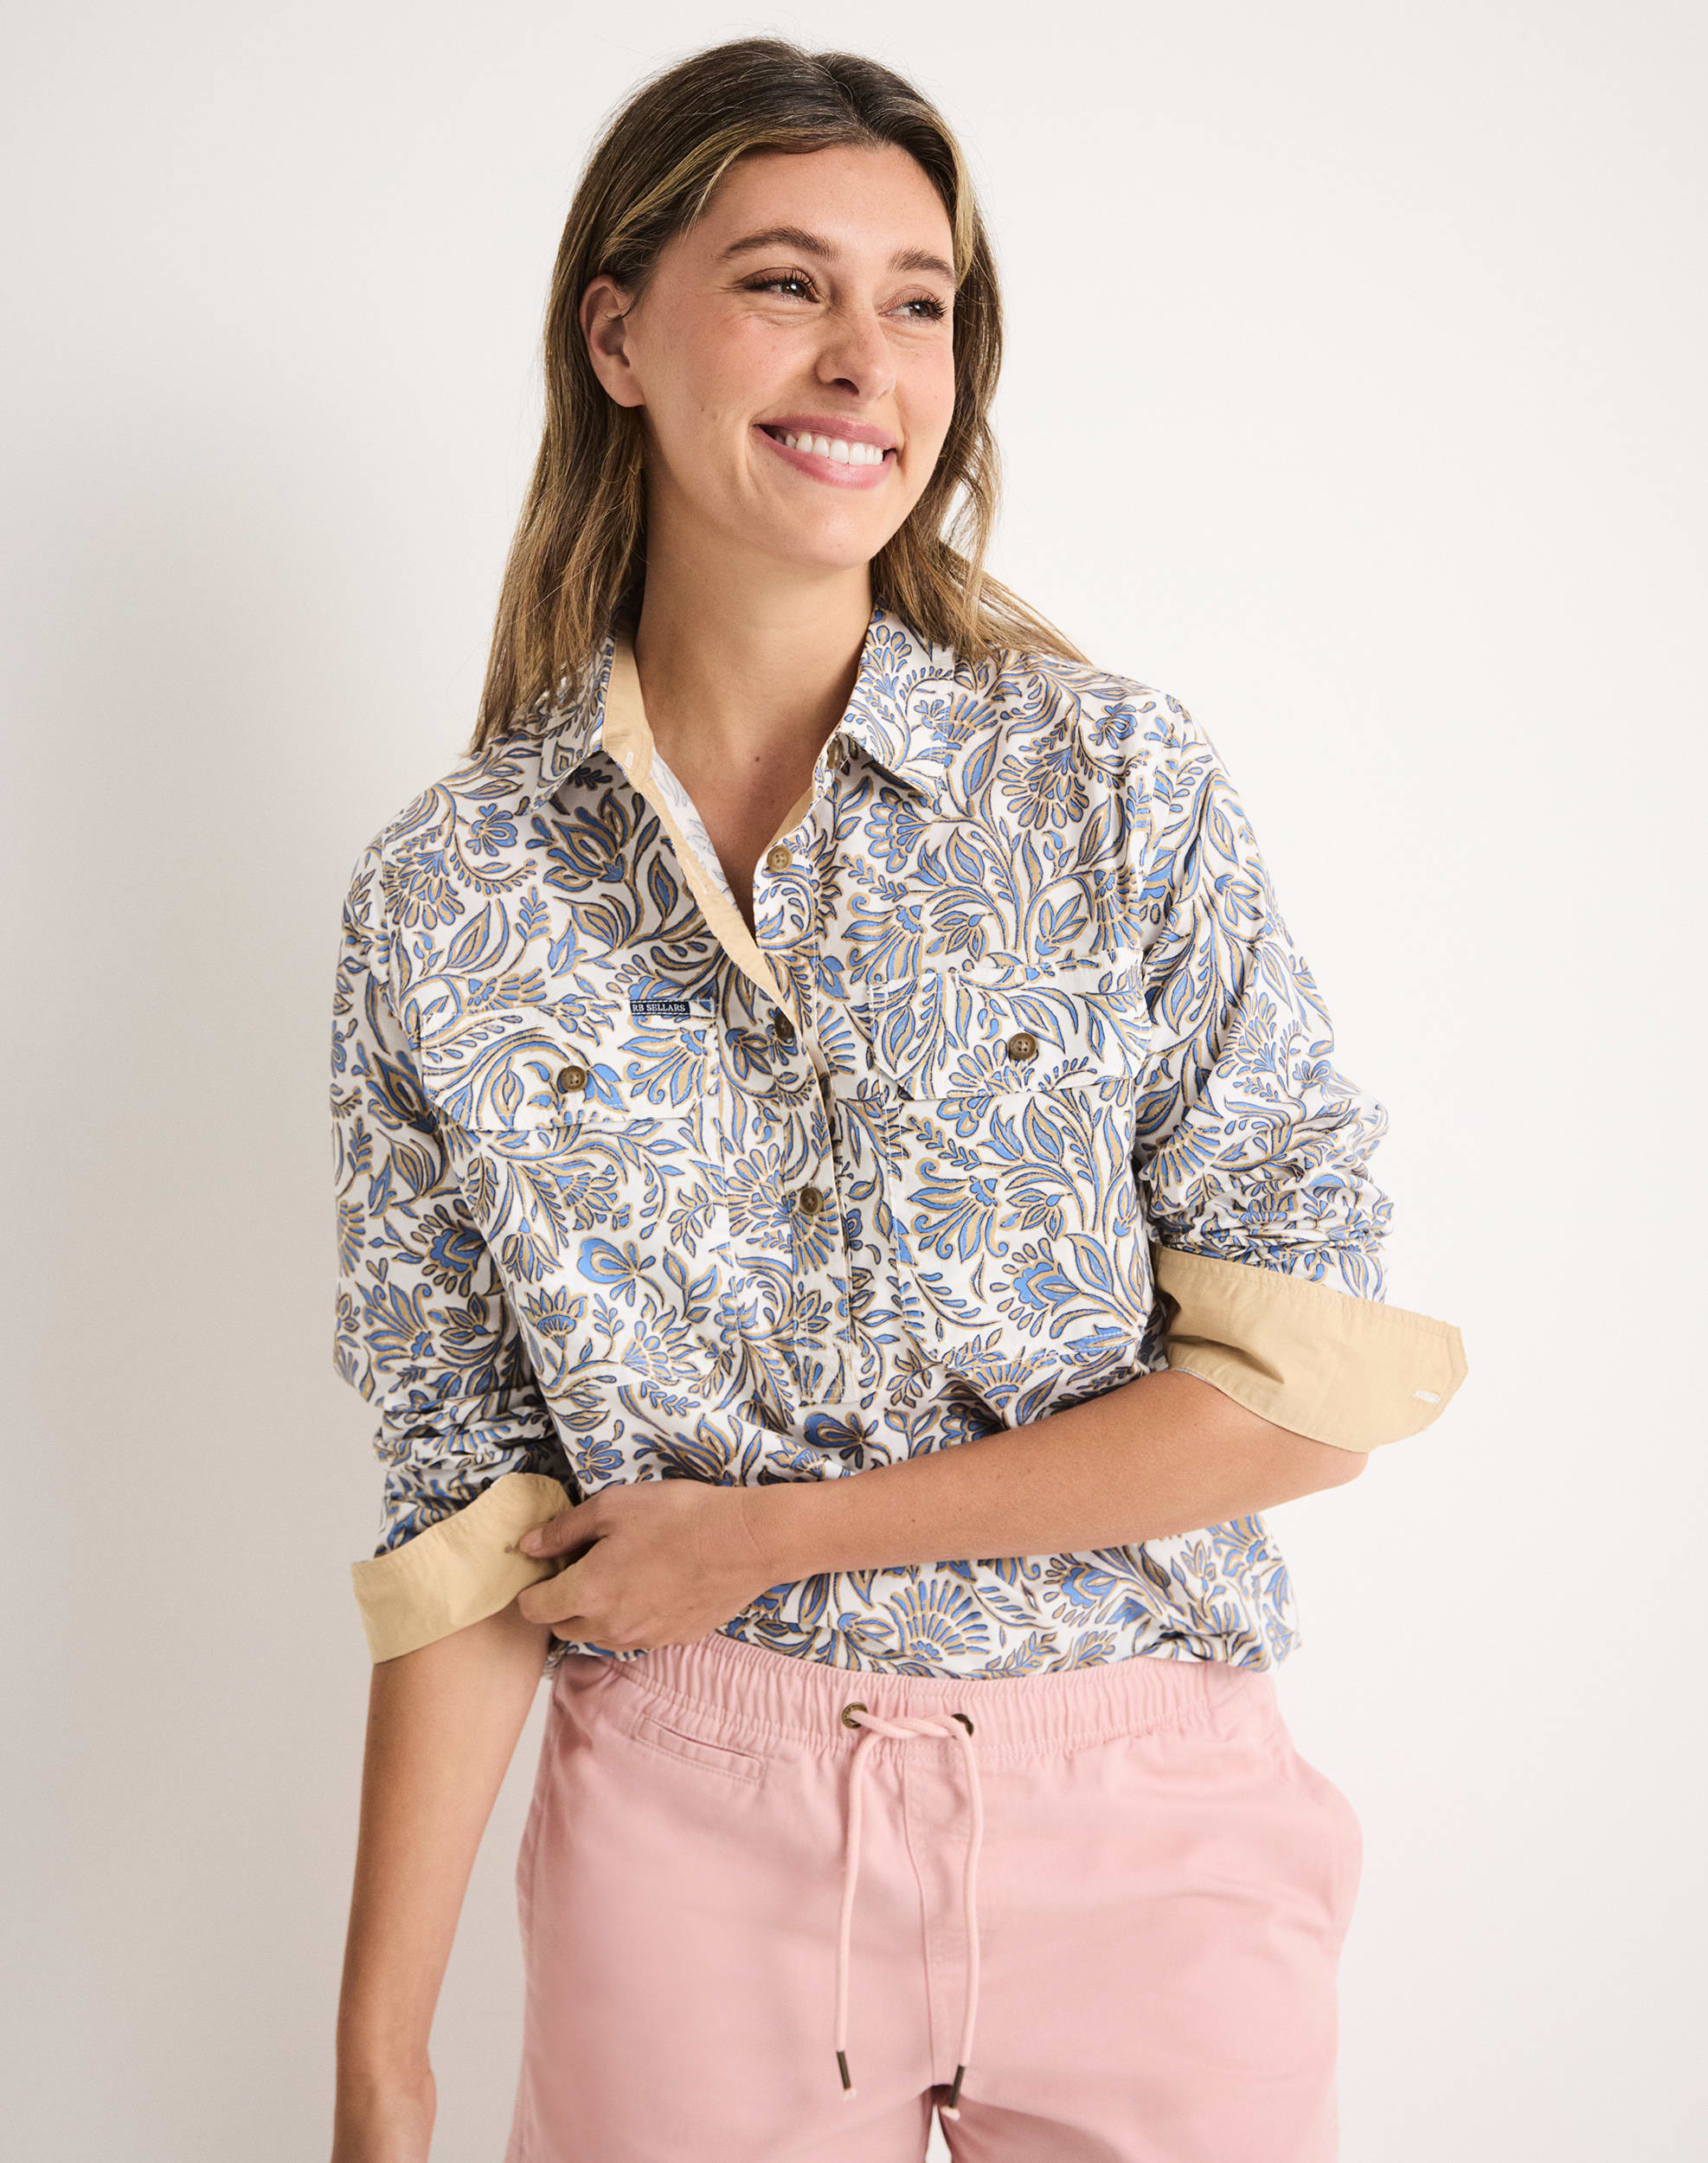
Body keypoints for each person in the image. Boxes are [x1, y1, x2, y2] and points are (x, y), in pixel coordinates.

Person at [327, 35, 1467, 2163]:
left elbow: (1305, 1395)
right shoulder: (446, 895)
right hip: (688, 1832)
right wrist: (381, 2069)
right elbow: (467, 1518)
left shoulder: (1116, 788)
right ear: (618, 334)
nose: (866, 358)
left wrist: (764, 1538)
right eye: (786, 282)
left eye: (919, 300)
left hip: (1145, 1822)